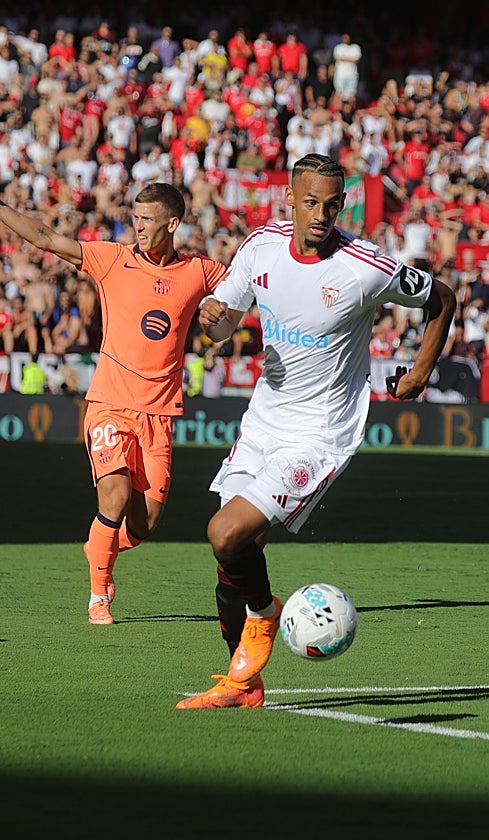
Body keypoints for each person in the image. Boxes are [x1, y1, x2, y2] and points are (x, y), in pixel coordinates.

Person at [177, 154, 456, 709]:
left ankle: (265, 614)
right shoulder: (260, 248)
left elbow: (441, 297)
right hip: (263, 421)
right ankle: (242, 684)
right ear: (290, 197)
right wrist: (213, 318)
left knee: (224, 532)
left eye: (332, 204)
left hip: (319, 433)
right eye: (311, 202)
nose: (321, 214)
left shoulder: (364, 266)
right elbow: (224, 326)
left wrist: (420, 372)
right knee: (233, 560)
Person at [0, 169, 227, 625]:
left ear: (172, 224)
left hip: (160, 414)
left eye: (147, 219)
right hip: (109, 403)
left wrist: (217, 314)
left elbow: (232, 309)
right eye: (135, 218)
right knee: (113, 497)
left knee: (143, 525)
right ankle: (99, 595)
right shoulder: (112, 259)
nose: (139, 226)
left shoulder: (199, 271)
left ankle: (99, 545)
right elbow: (49, 238)